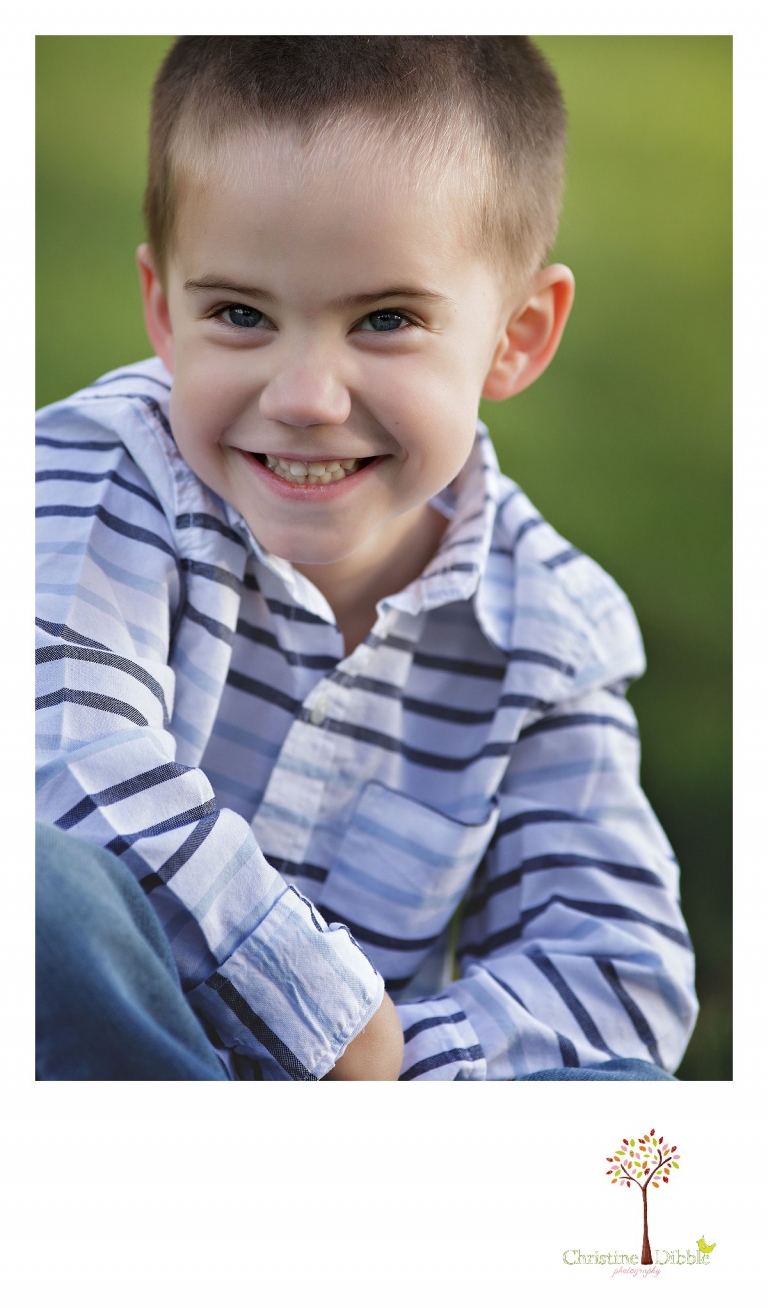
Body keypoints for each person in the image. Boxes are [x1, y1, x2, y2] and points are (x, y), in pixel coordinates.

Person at [35, 35, 697, 1081]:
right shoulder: (96, 471)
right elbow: (59, 760)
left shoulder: (547, 629)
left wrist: (389, 1080)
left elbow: (617, 965)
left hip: (375, 1128)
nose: (303, 398)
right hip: (99, 1082)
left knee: (619, 1099)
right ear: (165, 311)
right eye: (240, 315)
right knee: (35, 890)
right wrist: (326, 1022)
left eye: (386, 320)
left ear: (516, 334)